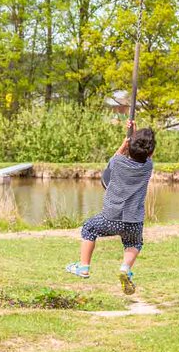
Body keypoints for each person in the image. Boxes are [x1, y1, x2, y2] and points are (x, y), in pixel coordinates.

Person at [66, 120, 155, 294]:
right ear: (150, 151)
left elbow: (115, 158)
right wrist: (135, 137)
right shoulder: (147, 168)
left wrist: (127, 139)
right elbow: (148, 155)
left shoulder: (117, 163)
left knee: (89, 228)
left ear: (129, 147)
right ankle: (125, 268)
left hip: (110, 217)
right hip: (133, 221)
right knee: (134, 243)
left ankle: (84, 267)